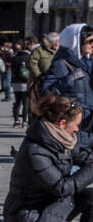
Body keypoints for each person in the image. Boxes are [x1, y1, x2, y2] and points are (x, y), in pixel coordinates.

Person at [3, 93, 93, 222]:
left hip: (50, 206)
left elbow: (84, 157)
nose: (77, 130)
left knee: (92, 197)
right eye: (76, 125)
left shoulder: (60, 140)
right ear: (62, 123)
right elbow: (61, 188)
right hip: (26, 215)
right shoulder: (35, 150)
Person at [37, 23, 93, 151]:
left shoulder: (88, 63)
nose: (92, 45)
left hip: (88, 123)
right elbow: (46, 92)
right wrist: (69, 79)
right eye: (89, 41)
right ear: (76, 42)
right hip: (71, 123)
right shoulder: (61, 64)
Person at [11, 38, 33, 127]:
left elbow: (13, 69)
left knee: (17, 102)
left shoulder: (16, 57)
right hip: (25, 82)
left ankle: (16, 120)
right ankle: (24, 121)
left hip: (16, 82)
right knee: (26, 102)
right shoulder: (29, 57)